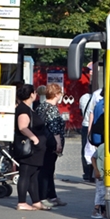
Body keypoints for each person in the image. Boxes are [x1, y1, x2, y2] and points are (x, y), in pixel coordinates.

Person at [14, 83, 49, 211]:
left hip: (35, 148)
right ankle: (21, 202)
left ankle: (36, 201)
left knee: (33, 175)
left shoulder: (28, 108)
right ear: (31, 94)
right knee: (26, 173)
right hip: (29, 148)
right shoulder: (23, 109)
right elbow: (22, 127)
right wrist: (35, 139)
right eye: (34, 92)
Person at [37, 83, 67, 208]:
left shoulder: (41, 106)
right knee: (47, 170)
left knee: (47, 170)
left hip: (42, 142)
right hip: (51, 144)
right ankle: (44, 196)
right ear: (56, 94)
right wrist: (58, 144)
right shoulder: (53, 109)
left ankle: (51, 195)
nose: (61, 96)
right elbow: (55, 129)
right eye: (60, 93)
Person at [78, 87, 102, 182]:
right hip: (95, 124)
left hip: (86, 124)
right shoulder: (98, 97)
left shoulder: (83, 97)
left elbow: (81, 112)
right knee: (96, 147)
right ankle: (94, 171)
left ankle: (87, 173)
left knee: (86, 148)